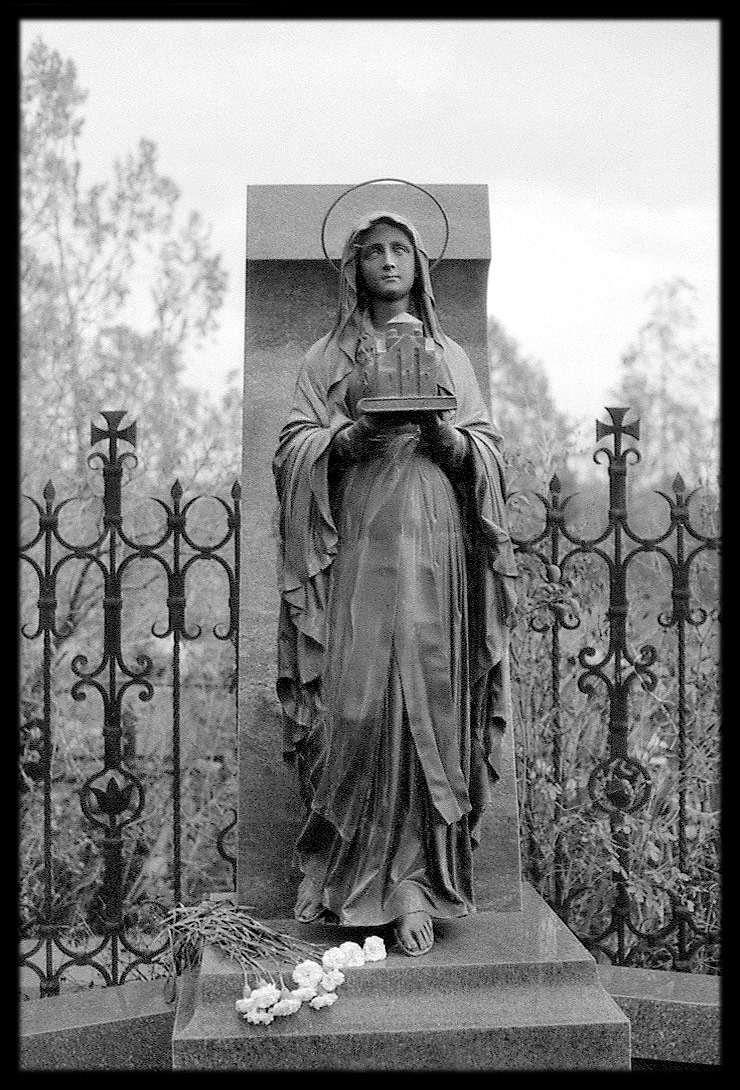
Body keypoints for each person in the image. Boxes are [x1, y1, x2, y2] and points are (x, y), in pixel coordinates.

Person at [272, 210, 517, 956]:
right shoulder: (327, 356)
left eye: (399, 249)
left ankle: (414, 885)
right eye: (372, 251)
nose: (387, 261)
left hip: (434, 536)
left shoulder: (449, 355)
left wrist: (447, 439)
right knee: (354, 707)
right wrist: (345, 438)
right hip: (359, 536)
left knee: (432, 705)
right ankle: (347, 877)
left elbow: (487, 449)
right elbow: (290, 445)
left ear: (419, 263)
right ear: (353, 267)